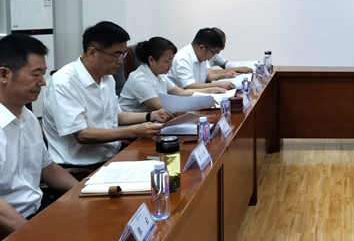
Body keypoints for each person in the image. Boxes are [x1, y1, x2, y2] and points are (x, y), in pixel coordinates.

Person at [42, 21, 173, 169]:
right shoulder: (63, 83)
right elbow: (82, 135)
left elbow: (116, 115)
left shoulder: (107, 77)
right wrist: (133, 131)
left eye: (123, 54)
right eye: (116, 55)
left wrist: (151, 115)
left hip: (112, 155)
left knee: (168, 161)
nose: (121, 61)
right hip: (82, 166)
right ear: (92, 53)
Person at [0, 35, 78, 236]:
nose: (43, 82)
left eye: (43, 74)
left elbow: (47, 167)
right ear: (4, 74)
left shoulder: (28, 117)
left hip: (39, 211)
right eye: (36, 74)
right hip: (11, 226)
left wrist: (83, 192)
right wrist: (34, 234)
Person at [119, 37, 228, 112]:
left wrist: (211, 90)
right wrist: (199, 102)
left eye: (172, 60)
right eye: (167, 61)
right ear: (151, 60)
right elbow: (160, 106)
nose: (171, 65)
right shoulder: (140, 79)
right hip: (134, 129)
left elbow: (180, 92)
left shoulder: (160, 74)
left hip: (153, 123)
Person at [168, 28, 237, 90]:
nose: (213, 56)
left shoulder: (202, 57)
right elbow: (189, 86)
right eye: (213, 52)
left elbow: (206, 76)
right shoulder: (183, 58)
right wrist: (219, 85)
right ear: (202, 48)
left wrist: (225, 75)